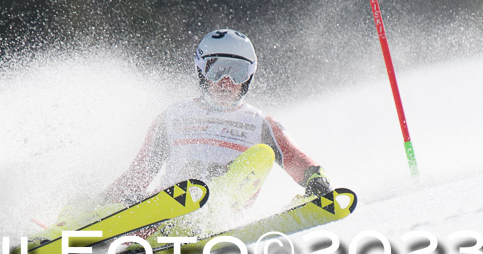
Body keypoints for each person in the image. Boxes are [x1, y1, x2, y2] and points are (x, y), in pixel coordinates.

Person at [103, 28, 331, 206]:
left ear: (248, 77)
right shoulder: (172, 116)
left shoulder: (258, 123)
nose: (227, 81)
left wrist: (315, 177)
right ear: (202, 71)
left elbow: (292, 156)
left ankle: (210, 202)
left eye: (237, 72)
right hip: (169, 206)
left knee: (262, 154)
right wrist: (105, 202)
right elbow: (139, 173)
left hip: (225, 207)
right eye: (217, 70)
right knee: (124, 202)